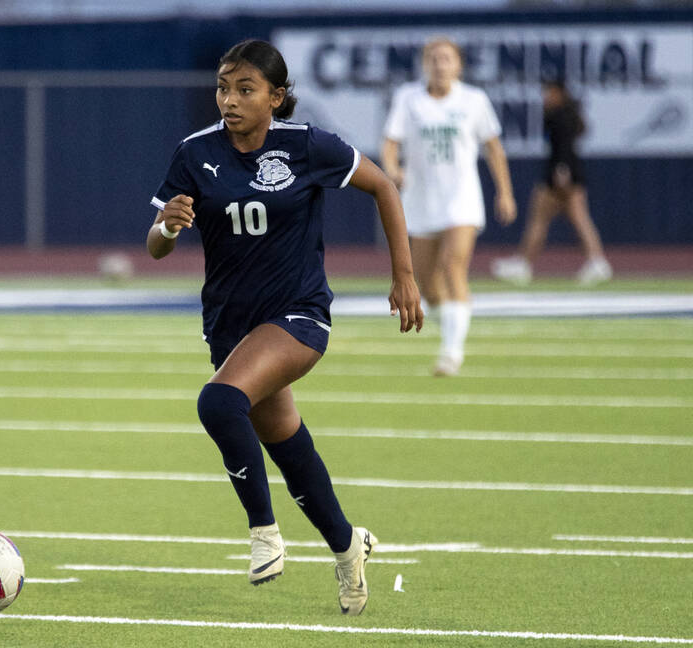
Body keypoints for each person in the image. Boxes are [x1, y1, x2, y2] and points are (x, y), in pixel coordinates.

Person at [148, 39, 423, 616]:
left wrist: (404, 276)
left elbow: (384, 187)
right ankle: (349, 548)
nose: (229, 100)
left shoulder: (306, 144)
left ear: (276, 97)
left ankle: (264, 533)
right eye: (223, 88)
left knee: (219, 404)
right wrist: (168, 229)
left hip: (298, 313)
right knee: (287, 445)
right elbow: (154, 246)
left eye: (245, 90)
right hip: (230, 325)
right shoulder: (195, 154)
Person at [380, 37, 516, 377]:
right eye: (434, 58)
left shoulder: (473, 100)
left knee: (452, 266)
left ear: (459, 65)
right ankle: (453, 326)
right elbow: (390, 143)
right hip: (422, 200)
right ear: (426, 63)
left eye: (447, 58)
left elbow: (494, 148)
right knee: (426, 283)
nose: (440, 64)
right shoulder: (408, 99)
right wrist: (393, 169)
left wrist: (505, 192)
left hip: (462, 200)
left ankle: (451, 354)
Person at [491, 81, 611, 286]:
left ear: (559, 93)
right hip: (566, 173)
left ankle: (524, 264)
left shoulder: (561, 115)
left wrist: (562, 171)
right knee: (571, 218)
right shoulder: (564, 114)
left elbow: (564, 147)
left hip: (561, 174)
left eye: (549, 92)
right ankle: (596, 262)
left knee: (545, 219)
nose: (546, 96)